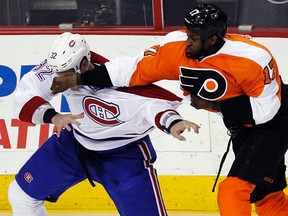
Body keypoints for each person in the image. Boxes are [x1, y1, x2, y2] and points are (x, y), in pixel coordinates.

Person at [50, 3, 288, 216]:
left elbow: (266, 110)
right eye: (187, 34)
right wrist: (79, 80)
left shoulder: (252, 58)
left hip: (275, 123)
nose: (187, 42)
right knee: (267, 196)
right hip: (242, 129)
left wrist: (212, 105)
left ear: (212, 39)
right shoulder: (177, 48)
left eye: (193, 37)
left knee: (232, 191)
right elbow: (131, 70)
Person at [8, 32, 201, 216]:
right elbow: (26, 92)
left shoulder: (123, 82)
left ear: (83, 64)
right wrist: (53, 116)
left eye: (65, 74)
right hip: (73, 145)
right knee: (21, 196)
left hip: (124, 156)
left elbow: (152, 106)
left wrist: (173, 122)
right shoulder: (60, 68)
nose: (58, 78)